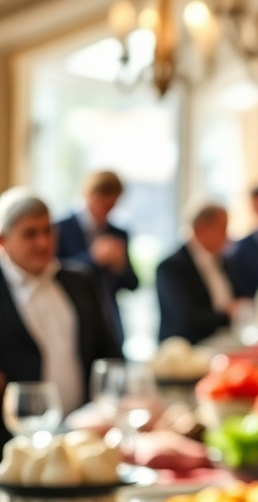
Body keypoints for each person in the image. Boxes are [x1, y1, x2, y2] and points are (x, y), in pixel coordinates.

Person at [0, 188, 122, 445]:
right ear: (3, 240)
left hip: (84, 435)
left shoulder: (80, 280)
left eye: (48, 231)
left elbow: (108, 351)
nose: (43, 243)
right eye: (30, 234)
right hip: (13, 442)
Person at [54, 170, 138, 347]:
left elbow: (132, 284)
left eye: (113, 206)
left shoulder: (118, 233)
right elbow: (55, 272)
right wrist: (93, 258)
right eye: (105, 205)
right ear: (90, 195)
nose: (109, 212)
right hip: (73, 317)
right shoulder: (60, 228)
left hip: (110, 320)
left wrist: (120, 265)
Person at [156, 203, 236, 344]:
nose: (227, 236)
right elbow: (186, 318)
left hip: (224, 342)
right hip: (187, 352)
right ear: (201, 229)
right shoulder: (171, 267)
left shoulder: (222, 260)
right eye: (222, 229)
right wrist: (227, 314)